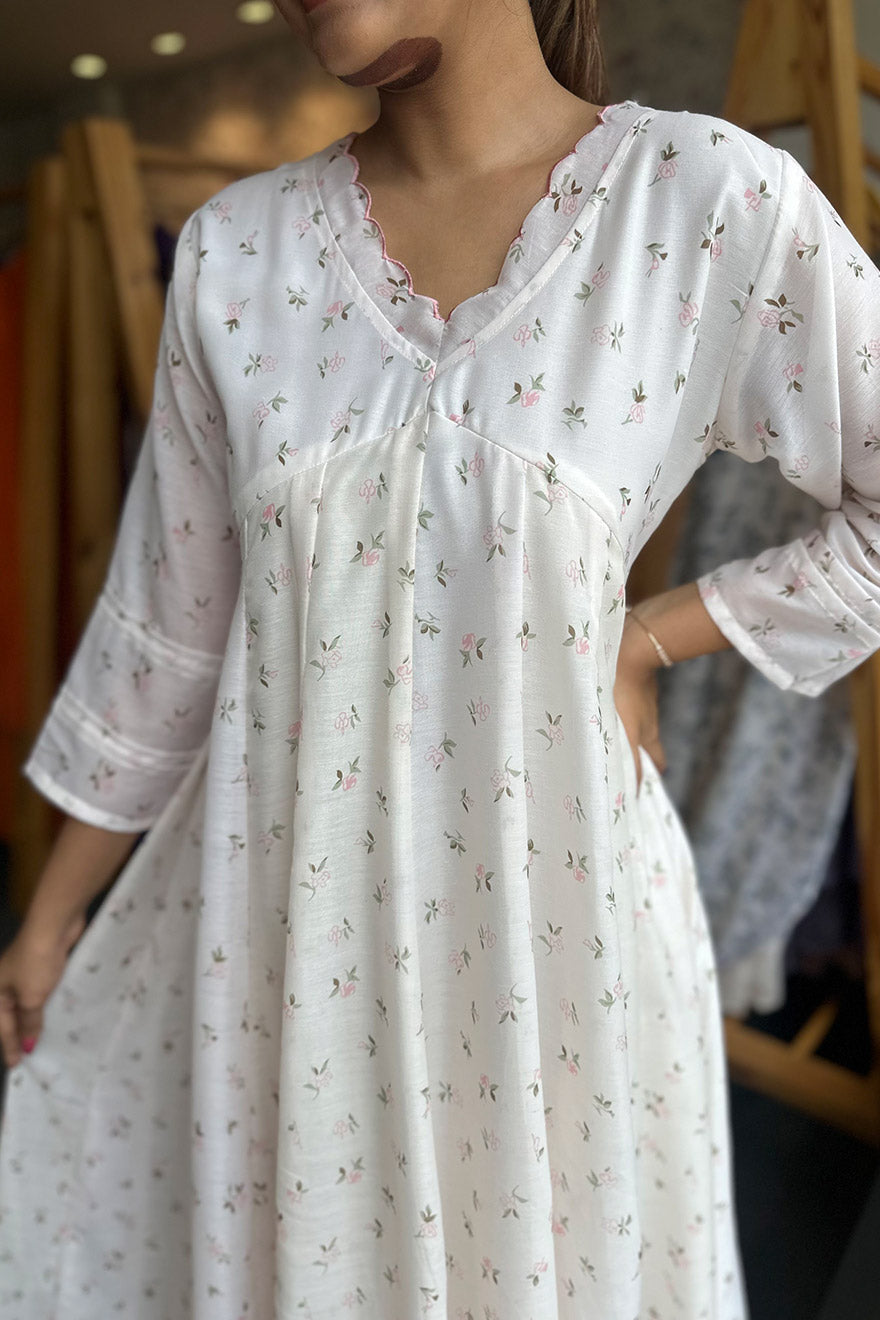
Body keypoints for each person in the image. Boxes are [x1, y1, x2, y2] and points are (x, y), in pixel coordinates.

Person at [1, 0, 878, 1315]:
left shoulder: (699, 201)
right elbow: (169, 631)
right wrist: (49, 917)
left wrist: (655, 636)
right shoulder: (238, 254)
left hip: (552, 933)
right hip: (291, 936)